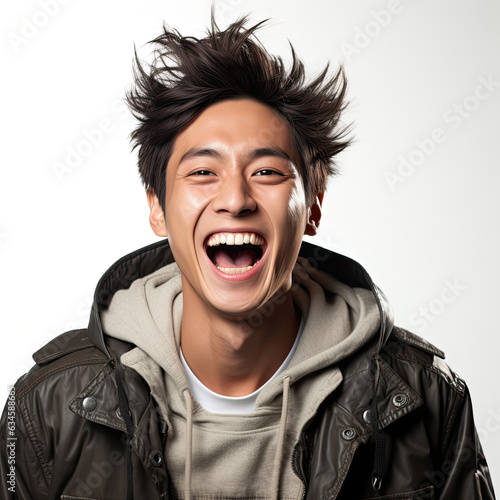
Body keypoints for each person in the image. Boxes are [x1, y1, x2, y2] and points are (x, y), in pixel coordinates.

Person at [0, 13, 495, 500]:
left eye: (267, 173)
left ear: (313, 208)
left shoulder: (423, 397)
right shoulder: (50, 406)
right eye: (202, 173)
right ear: (157, 209)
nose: (235, 199)